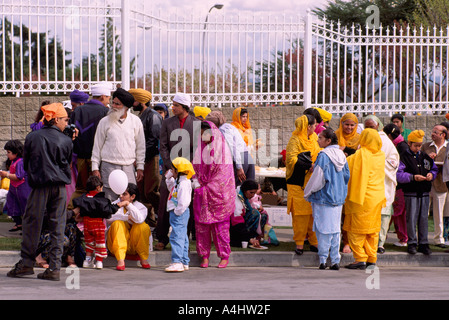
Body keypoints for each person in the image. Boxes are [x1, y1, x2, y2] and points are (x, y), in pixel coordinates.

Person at [7, 103, 72, 281]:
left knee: (31, 224)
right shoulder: (66, 140)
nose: (67, 123)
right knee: (58, 226)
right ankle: (54, 268)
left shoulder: (33, 137)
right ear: (56, 119)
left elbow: (26, 165)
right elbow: (66, 164)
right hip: (59, 188)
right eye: (65, 119)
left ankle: (26, 263)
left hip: (39, 186)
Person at [156, 92, 199, 250]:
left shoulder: (196, 123)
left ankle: (183, 238)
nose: (172, 107)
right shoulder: (167, 123)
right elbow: (164, 146)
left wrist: (185, 167)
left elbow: (198, 149)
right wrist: (171, 166)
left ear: (185, 107)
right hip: (170, 170)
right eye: (173, 104)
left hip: (187, 172)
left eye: (176, 105)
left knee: (185, 203)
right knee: (164, 203)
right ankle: (162, 237)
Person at [304, 129, 350, 270]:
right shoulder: (341, 155)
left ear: (328, 141)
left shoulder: (323, 156)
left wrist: (308, 192)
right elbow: (346, 176)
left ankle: (323, 259)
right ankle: (335, 260)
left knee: (322, 229)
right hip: (338, 198)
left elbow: (318, 177)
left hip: (323, 198)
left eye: (320, 138)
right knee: (335, 230)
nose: (318, 140)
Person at [192, 121, 235, 268]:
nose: (203, 136)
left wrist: (207, 187)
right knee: (202, 228)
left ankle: (224, 256)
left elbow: (223, 175)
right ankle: (204, 256)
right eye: (201, 132)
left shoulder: (222, 150)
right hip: (202, 193)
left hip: (218, 195)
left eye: (206, 132)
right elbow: (194, 169)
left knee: (220, 228)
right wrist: (196, 182)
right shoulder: (200, 150)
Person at [91, 88, 145, 200]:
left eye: (117, 104)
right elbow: (97, 146)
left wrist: (140, 166)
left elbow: (140, 146)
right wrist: (95, 167)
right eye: (113, 103)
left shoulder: (135, 121)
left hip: (128, 166)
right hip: (108, 166)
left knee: (129, 198)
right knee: (109, 198)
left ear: (126, 107)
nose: (113, 106)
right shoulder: (104, 121)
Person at [343, 128, 386, 270]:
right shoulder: (380, 155)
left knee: (356, 230)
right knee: (372, 231)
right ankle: (372, 259)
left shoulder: (360, 155)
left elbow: (347, 166)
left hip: (361, 199)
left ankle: (360, 258)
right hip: (377, 198)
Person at [67, 82, 111, 209]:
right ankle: (96, 217)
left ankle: (69, 215)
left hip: (80, 158)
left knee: (80, 188)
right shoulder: (105, 111)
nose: (109, 101)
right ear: (103, 96)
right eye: (108, 98)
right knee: (98, 189)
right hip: (97, 160)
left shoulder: (78, 110)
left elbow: (71, 134)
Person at [396, 130, 438, 255]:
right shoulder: (403, 157)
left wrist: (432, 175)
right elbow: (399, 175)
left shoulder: (425, 156)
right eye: (416, 145)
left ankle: (424, 243)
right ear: (409, 143)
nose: (418, 148)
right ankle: (412, 243)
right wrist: (413, 177)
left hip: (424, 192)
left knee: (423, 218)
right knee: (412, 218)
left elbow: (434, 169)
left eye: (420, 145)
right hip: (411, 192)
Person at [285, 114, 321, 255]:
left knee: (313, 213)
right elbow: (291, 159)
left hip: (313, 181)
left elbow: (319, 152)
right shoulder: (294, 140)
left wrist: (317, 163)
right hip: (298, 182)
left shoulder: (314, 138)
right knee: (300, 215)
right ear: (308, 126)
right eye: (313, 125)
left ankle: (314, 242)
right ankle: (299, 243)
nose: (315, 128)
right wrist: (308, 165)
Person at [364, 115, 400, 254]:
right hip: (368, 183)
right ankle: (367, 241)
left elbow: (394, 161)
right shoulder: (364, 139)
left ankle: (380, 243)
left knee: (384, 214)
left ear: (378, 126)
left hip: (383, 182)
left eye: (371, 127)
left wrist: (378, 163)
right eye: (367, 127)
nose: (369, 129)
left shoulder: (385, 141)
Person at [129, 88, 163, 228]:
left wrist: (141, 160)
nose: (132, 103)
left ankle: (162, 218)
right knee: (142, 193)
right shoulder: (141, 115)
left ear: (141, 101)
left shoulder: (153, 116)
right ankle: (150, 223)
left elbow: (153, 141)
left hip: (151, 159)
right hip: (142, 159)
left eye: (134, 100)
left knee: (151, 191)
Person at [72, 175, 120, 269]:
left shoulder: (84, 198)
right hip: (99, 226)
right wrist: (119, 205)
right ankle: (99, 262)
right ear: (98, 187)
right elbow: (109, 210)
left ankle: (87, 261)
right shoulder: (102, 200)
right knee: (99, 244)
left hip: (87, 226)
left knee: (89, 243)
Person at [106, 183, 151, 271]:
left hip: (134, 246)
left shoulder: (141, 207)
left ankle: (143, 258)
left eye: (125, 194)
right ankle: (120, 260)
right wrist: (126, 217)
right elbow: (109, 217)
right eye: (121, 194)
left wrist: (128, 205)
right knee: (117, 223)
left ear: (132, 196)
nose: (121, 196)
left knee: (143, 226)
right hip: (116, 245)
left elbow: (139, 219)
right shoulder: (115, 204)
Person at [205, 110, 255, 186]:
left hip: (240, 159)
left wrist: (239, 167)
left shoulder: (223, 130)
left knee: (235, 188)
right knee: (247, 189)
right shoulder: (229, 126)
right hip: (247, 157)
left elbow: (232, 148)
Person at [335, 113, 361, 253]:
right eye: (346, 124)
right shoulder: (335, 136)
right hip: (336, 178)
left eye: (352, 125)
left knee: (348, 213)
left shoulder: (359, 139)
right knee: (335, 211)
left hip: (352, 179)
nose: (349, 128)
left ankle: (347, 242)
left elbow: (360, 156)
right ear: (341, 123)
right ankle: (334, 242)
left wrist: (347, 152)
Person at [164, 157, 195, 272]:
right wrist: (168, 178)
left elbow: (184, 201)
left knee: (176, 236)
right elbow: (170, 189)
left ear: (178, 170)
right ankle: (184, 261)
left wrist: (177, 211)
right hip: (178, 212)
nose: (171, 171)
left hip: (179, 213)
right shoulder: (179, 182)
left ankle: (177, 261)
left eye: (173, 169)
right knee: (182, 236)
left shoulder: (184, 183)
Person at [422, 125, 449, 248]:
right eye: (432, 131)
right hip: (426, 183)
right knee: (423, 212)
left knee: (439, 213)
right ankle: (422, 239)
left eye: (435, 132)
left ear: (443, 135)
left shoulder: (447, 147)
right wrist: (428, 159)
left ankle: (439, 239)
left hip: (441, 184)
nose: (432, 133)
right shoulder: (426, 146)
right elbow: (420, 162)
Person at [383, 123, 409, 247]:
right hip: (399, 184)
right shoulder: (399, 145)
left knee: (398, 213)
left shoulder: (400, 147)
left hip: (400, 185)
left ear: (388, 135)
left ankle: (403, 238)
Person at [0, 140, 31, 232]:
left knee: (25, 207)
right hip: (14, 188)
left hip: (22, 188)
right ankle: (19, 223)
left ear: (16, 152)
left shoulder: (20, 162)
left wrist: (6, 175)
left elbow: (19, 176)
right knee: (12, 205)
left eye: (8, 152)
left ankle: (27, 228)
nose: (7, 154)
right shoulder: (14, 161)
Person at [231, 179, 269, 248]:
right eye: (251, 193)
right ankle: (247, 240)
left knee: (263, 216)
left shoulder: (244, 197)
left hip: (242, 225)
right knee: (255, 213)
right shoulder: (236, 200)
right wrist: (248, 238)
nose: (253, 195)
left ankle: (254, 239)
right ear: (245, 190)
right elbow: (237, 224)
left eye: (254, 193)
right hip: (235, 229)